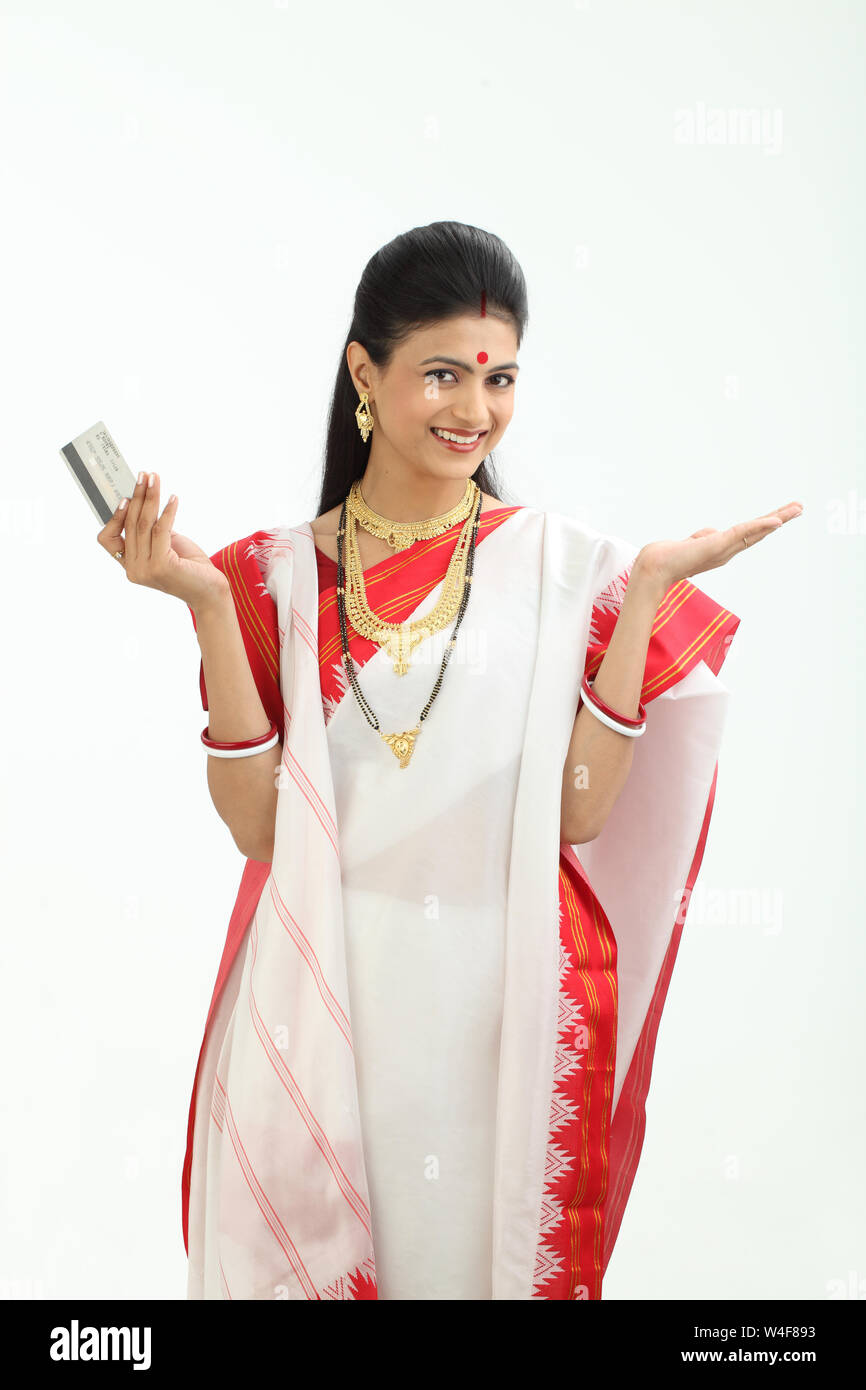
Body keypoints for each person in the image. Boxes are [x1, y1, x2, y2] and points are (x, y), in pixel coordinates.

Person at [97, 220, 803, 1301]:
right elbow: (253, 829)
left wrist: (649, 593)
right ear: (363, 374)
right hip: (314, 1005)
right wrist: (201, 606)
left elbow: (575, 816)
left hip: (486, 1023)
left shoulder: (568, 572)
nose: (474, 410)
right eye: (442, 375)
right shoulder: (268, 579)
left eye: (499, 378)